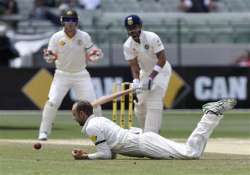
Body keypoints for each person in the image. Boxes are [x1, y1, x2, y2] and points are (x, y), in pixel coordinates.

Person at [71, 98, 236, 160]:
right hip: (143, 139)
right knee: (193, 153)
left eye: (74, 114)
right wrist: (90, 154)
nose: (73, 117)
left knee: (191, 153)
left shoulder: (91, 128)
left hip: (144, 144)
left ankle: (210, 114)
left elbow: (106, 154)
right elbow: (112, 152)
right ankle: (212, 115)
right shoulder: (99, 120)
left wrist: (86, 157)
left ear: (81, 113)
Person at [38, 9, 102, 141]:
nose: (70, 23)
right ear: (63, 21)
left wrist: (95, 54)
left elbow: (92, 51)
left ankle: (99, 132)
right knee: (52, 103)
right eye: (67, 20)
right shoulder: (56, 37)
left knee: (94, 105)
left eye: (73, 20)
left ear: (77, 22)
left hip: (81, 75)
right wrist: (49, 56)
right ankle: (44, 131)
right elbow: (50, 55)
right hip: (62, 75)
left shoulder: (84, 36)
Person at [123, 14, 172, 133]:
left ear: (140, 26)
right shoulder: (127, 45)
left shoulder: (152, 37)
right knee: (140, 106)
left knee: (154, 99)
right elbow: (134, 67)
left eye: (134, 27)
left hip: (161, 71)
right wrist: (136, 80)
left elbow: (162, 59)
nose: (132, 31)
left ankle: (153, 132)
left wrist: (152, 77)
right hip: (145, 73)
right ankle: (147, 132)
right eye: (130, 29)